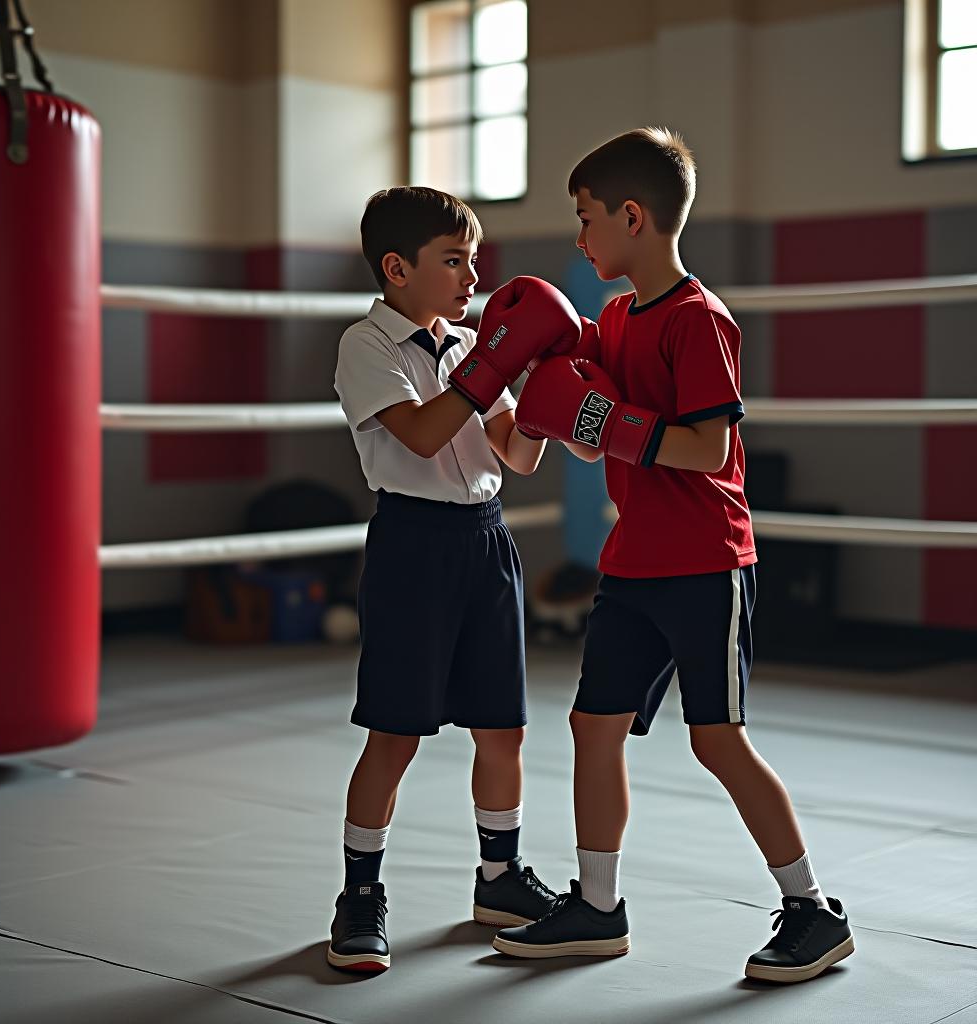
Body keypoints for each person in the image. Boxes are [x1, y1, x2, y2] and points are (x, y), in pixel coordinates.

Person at [494, 128, 854, 984]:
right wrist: (547, 402)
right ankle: (599, 905)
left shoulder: (700, 319)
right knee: (593, 726)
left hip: (705, 561)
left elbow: (704, 448)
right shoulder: (613, 319)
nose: (579, 240)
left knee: (717, 740)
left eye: (587, 220)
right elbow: (597, 445)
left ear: (634, 217)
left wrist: (608, 421)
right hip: (634, 563)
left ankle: (812, 910)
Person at [327, 185, 579, 972]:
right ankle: (360, 895)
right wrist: (496, 362)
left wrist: (551, 391)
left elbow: (518, 453)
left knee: (503, 727)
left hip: (487, 541)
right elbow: (425, 429)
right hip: (412, 545)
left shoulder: (475, 344)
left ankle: (499, 879)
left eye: (474, 259)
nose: (474, 275)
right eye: (454, 260)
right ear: (397, 268)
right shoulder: (366, 346)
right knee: (396, 732)